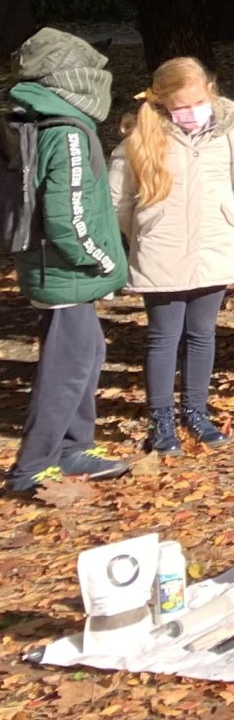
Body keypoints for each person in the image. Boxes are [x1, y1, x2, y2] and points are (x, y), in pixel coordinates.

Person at [5, 31, 131, 494]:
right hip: (66, 271)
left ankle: (74, 449)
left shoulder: (37, 121)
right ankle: (31, 468)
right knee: (67, 368)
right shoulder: (68, 133)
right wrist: (100, 261)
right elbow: (67, 216)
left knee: (87, 354)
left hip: (51, 268)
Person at [111, 56, 234, 454]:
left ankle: (195, 411)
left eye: (197, 102)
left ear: (211, 89)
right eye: (180, 107)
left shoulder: (230, 135)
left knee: (202, 334)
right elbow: (118, 202)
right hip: (162, 255)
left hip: (213, 251)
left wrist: (225, 217)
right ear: (162, 104)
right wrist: (145, 231)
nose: (191, 113)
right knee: (163, 337)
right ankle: (161, 419)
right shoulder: (140, 139)